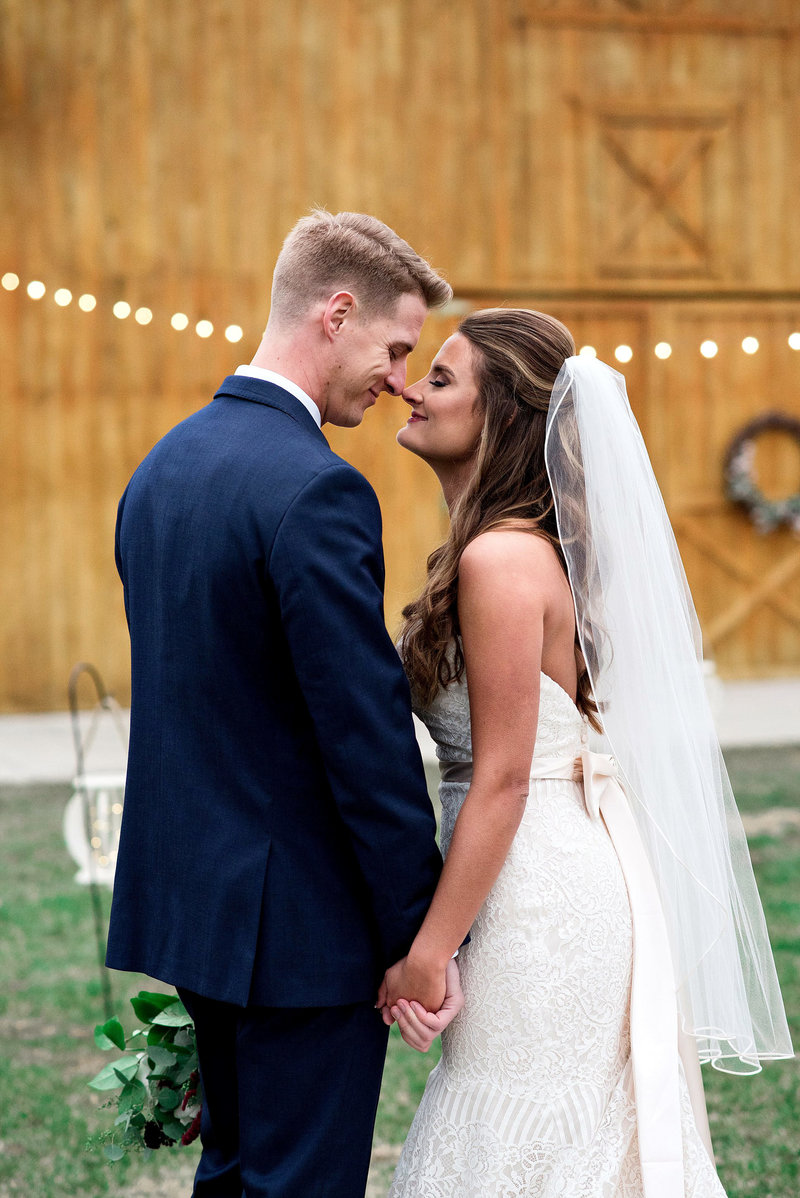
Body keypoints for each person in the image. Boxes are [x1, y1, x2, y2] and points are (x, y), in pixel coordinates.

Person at [379, 308, 793, 1196]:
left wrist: (430, 949)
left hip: (535, 894)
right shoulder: (527, 550)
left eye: (442, 379)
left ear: (502, 418)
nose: (413, 387)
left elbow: (500, 779)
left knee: (520, 1124)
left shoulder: (498, 559)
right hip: (566, 867)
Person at [106, 210, 464, 1198]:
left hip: (193, 905)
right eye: (394, 347)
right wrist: (416, 930)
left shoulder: (161, 470)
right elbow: (359, 737)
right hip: (296, 925)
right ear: (334, 312)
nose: (396, 377)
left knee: (231, 1173)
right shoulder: (316, 488)